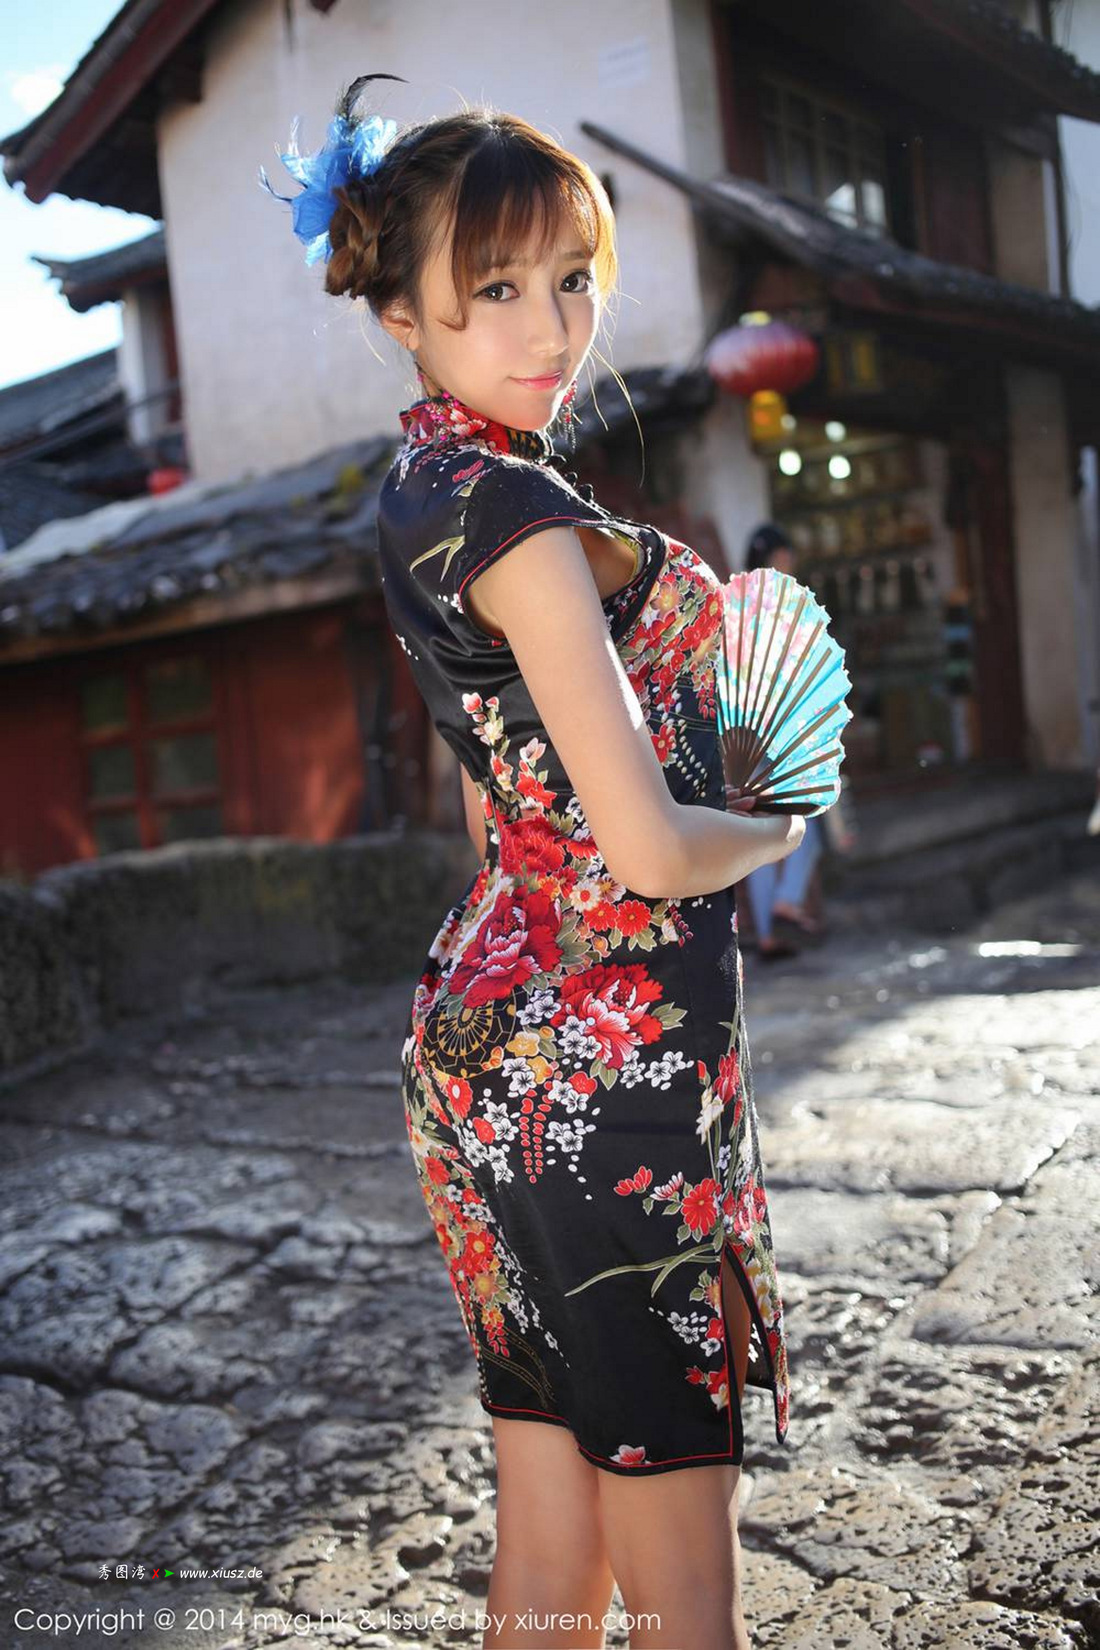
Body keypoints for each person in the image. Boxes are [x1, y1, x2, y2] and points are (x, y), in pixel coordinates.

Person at [264, 78, 805, 1650]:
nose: (552, 326)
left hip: (489, 1033)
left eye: (572, 277)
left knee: (552, 1523)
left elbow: (501, 800)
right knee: (683, 1576)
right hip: (605, 1062)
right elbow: (646, 842)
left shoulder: (422, 495)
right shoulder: (517, 511)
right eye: (495, 286)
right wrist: (779, 824)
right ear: (400, 312)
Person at [738, 524, 828, 960]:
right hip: (775, 732)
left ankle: (769, 933)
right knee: (803, 825)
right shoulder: (777, 608)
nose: (789, 564)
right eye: (783, 557)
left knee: (761, 835)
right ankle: (785, 905)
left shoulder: (739, 606)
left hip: (743, 735)